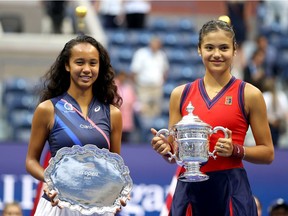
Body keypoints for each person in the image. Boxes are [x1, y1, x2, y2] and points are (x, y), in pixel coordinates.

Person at [151, 19, 274, 216]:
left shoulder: (250, 94)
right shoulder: (180, 94)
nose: (217, 54)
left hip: (232, 188)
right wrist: (165, 149)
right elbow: (175, 155)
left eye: (224, 48)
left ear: (234, 50)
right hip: (189, 189)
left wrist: (236, 150)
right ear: (199, 49)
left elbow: (268, 154)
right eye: (209, 47)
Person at [25, 35, 124, 215]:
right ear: (67, 65)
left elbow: (114, 167)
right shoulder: (48, 109)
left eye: (93, 63)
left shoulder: (113, 114)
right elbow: (31, 161)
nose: (86, 69)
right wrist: (50, 181)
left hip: (98, 207)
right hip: (57, 205)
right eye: (80, 62)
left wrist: (118, 191)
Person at [130, 36, 169, 118]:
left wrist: (161, 82)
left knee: (156, 110)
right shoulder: (141, 53)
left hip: (157, 87)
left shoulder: (161, 55)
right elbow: (134, 71)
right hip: (143, 87)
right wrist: (135, 87)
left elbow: (165, 71)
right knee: (144, 110)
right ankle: (144, 129)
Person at [263, 77, 288, 147]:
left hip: (269, 123)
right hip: (277, 123)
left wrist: (272, 121)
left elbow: (262, 113)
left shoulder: (265, 96)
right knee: (276, 144)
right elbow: (285, 112)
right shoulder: (281, 95)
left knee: (268, 144)